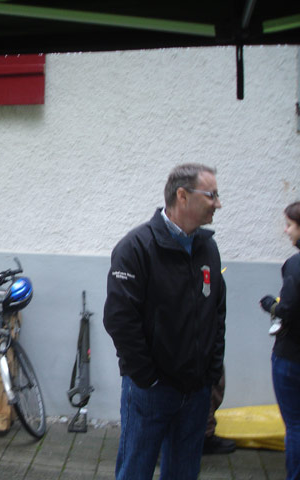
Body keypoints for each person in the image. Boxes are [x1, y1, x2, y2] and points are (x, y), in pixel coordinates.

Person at [103, 163, 226, 480]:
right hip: (151, 391)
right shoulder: (136, 247)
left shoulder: (207, 248)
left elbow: (217, 311)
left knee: (184, 472)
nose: (218, 204)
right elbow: (119, 319)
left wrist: (211, 372)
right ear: (182, 196)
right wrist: (146, 377)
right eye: (211, 195)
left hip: (196, 390)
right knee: (135, 470)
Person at [260, 201, 300, 480]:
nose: (286, 231)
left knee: (296, 425)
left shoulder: (295, 265)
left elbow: (287, 309)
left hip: (292, 356)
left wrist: (270, 304)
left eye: (289, 225)